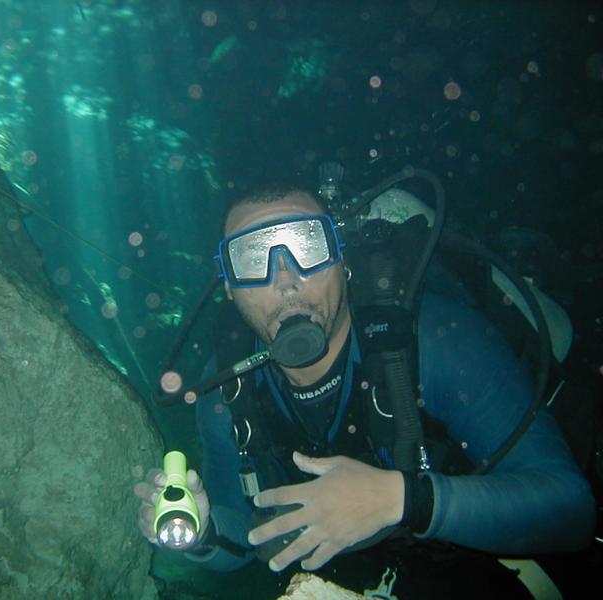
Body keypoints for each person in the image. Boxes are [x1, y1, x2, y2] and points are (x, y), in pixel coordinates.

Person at [134, 182, 596, 594]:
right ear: (230, 289)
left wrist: (400, 499)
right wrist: (201, 530)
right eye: (252, 259)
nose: (285, 280)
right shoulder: (226, 393)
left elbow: (570, 509)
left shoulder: (434, 341)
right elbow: (242, 546)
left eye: (306, 244)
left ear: (341, 257)